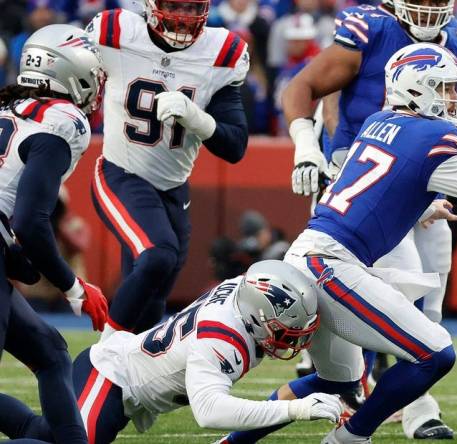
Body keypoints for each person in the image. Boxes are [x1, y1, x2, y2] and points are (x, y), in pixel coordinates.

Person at [224, 42, 457, 444]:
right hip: (331, 263)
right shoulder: (436, 136)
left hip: (311, 253)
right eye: (443, 87)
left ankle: (231, 443)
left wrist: (422, 208)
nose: (453, 97)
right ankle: (350, 437)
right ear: (416, 88)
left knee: (336, 383)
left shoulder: (379, 121)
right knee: (436, 352)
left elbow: (377, 188)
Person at [286, 0, 457, 438]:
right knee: (405, 289)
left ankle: (407, 403)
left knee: (432, 287)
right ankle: (364, 397)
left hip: (425, 181)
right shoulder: (370, 29)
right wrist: (307, 145)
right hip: (370, 183)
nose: (430, 6)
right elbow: (312, 91)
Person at [0, 260, 345, 443]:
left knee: (42, 434)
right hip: (110, 378)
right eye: (285, 334)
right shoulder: (222, 337)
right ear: (257, 317)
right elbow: (209, 412)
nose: (291, 344)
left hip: (121, 385)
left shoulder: (242, 292)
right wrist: (295, 410)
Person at [85, 0, 250, 338]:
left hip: (174, 188)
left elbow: (235, 146)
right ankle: (103, 357)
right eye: (175, 6)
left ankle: (130, 382)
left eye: (192, 8)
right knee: (158, 255)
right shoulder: (115, 33)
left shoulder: (221, 52)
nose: (184, 17)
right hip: (121, 173)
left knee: (153, 301)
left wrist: (196, 118)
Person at [0, 24, 109, 444]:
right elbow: (30, 220)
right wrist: (73, 286)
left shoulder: (9, 109)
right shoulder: (63, 120)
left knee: (49, 351)